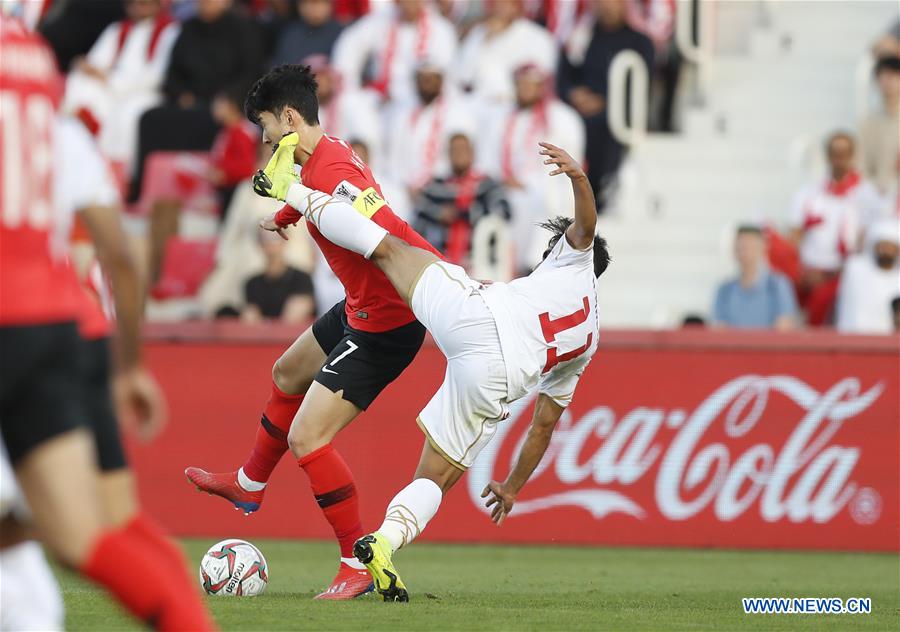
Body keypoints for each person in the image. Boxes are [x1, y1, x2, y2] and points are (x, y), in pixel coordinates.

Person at [253, 138, 607, 601]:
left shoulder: (574, 257)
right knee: (434, 478)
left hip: (476, 316)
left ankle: (292, 190)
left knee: (386, 247)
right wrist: (511, 487)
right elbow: (543, 425)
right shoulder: (589, 341)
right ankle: (383, 542)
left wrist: (579, 177)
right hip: (497, 380)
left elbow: (586, 224)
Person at [185, 64, 444, 600]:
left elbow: (384, 229)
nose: (264, 140)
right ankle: (250, 485)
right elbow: (318, 195)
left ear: (288, 118)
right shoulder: (325, 154)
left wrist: (445, 280)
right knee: (287, 371)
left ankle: (355, 562)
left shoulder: (335, 172)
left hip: (386, 324)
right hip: (359, 307)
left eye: (265, 127)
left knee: (307, 437)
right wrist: (287, 212)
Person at [0, 16, 213, 630]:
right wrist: (132, 366)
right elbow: (122, 256)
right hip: (56, 326)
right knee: (84, 534)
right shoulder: (57, 123)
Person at [132, 0, 264, 199]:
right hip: (189, 101)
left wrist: (229, 99)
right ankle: (141, 189)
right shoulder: (188, 27)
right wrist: (181, 94)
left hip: (226, 103)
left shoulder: (242, 28)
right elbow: (172, 73)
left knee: (214, 121)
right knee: (149, 119)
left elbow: (251, 72)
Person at [479, 63, 585, 271]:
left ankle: (533, 266)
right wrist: (503, 180)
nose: (525, 90)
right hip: (504, 188)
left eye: (530, 85)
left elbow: (570, 163)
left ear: (542, 87)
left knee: (543, 202)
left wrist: (527, 184)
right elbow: (486, 161)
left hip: (547, 189)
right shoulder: (500, 118)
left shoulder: (562, 118)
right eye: (520, 85)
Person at [62, 0, 179, 175]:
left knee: (127, 116)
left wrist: (112, 80)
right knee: (82, 92)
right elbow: (97, 63)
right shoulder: (118, 29)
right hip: (110, 87)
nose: (139, 7)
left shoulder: (169, 31)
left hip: (143, 93)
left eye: (145, 4)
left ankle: (120, 176)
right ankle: (79, 165)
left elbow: (156, 76)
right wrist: (88, 68)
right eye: (135, 3)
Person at [558, 0, 654, 202]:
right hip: (577, 111)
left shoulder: (640, 42)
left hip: (616, 116)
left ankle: (599, 191)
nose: (607, 6)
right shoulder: (581, 38)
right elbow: (564, 76)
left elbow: (642, 87)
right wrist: (573, 93)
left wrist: (605, 101)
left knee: (606, 128)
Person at [788, 132, 882, 325]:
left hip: (841, 273)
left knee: (822, 300)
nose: (839, 158)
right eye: (834, 153)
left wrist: (829, 275)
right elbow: (794, 235)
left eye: (844, 153)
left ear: (853, 155)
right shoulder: (810, 191)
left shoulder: (867, 195)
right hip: (807, 270)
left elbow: (865, 246)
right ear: (827, 155)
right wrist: (801, 270)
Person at [332, 0, 457, 105]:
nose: (409, 4)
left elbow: (437, 77)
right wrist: (351, 86)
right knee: (349, 102)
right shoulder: (381, 20)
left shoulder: (441, 29)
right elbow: (349, 45)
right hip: (382, 100)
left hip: (420, 102)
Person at [413, 133, 511, 265]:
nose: (459, 154)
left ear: (472, 153)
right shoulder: (437, 186)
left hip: (479, 261)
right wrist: (440, 213)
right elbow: (421, 209)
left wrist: (462, 213)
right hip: (440, 261)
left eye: (464, 149)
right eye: (455, 150)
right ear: (448, 154)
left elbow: (503, 210)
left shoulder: (487, 184)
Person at [385, 58, 474, 193]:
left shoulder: (456, 114)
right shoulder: (402, 115)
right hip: (402, 189)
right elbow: (393, 156)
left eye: (431, 79)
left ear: (441, 81)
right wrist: (405, 185)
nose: (426, 83)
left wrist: (430, 187)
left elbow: (459, 157)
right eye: (422, 79)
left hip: (443, 189)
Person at [454, 0, 556, 106]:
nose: (500, 7)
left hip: (517, 106)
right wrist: (487, 40)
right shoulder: (479, 33)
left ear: (517, 6)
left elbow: (540, 83)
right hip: (476, 104)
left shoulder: (537, 37)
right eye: (496, 3)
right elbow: (463, 76)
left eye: (506, 3)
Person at [712, 225, 798, 330]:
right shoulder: (725, 290)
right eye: (740, 247)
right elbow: (720, 328)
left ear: (763, 247)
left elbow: (783, 327)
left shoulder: (777, 285)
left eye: (750, 246)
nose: (744, 252)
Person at [835, 219, 900, 334]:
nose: (886, 251)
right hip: (854, 336)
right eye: (882, 246)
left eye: (890, 247)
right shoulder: (855, 269)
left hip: (888, 340)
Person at [243, 231, 316, 323]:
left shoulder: (301, 279)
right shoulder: (252, 284)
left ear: (284, 240)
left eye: (275, 238)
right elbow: (251, 318)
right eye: (265, 239)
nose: (270, 244)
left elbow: (295, 316)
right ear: (259, 244)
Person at [859, 56, 900, 195]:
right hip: (878, 197)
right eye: (884, 76)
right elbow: (861, 167)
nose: (889, 81)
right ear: (876, 80)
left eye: (894, 75)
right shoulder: (868, 124)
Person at [270, 0, 343, 67]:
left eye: (318, 2)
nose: (313, 8)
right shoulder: (289, 35)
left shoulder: (343, 34)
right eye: (307, 2)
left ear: (330, 4)